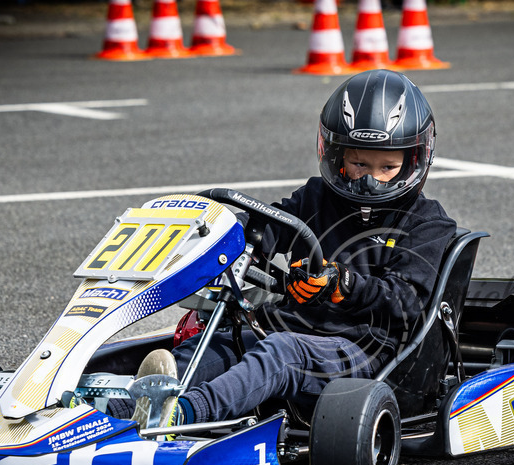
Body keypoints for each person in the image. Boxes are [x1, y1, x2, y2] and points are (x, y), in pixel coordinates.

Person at [157, 69, 458, 428]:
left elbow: (406, 301)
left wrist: (343, 284)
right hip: (295, 330)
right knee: (216, 345)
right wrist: (223, 237)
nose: (371, 179)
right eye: (360, 164)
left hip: (364, 352)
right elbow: (270, 227)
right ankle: (123, 409)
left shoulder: (427, 223)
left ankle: (182, 415)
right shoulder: (317, 198)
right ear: (337, 156)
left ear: (413, 161)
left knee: (281, 352)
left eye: (387, 167)